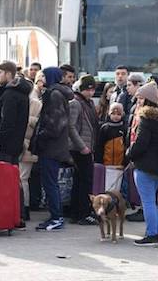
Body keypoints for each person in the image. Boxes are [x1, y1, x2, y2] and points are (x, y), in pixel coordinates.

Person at [127, 81, 158, 246]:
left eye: (140, 99)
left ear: (147, 100)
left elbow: (140, 144)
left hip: (145, 166)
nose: (137, 102)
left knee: (147, 202)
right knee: (153, 202)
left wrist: (129, 153)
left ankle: (152, 234)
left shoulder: (146, 119)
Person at [32, 67, 74, 231]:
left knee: (50, 183)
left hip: (51, 147)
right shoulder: (55, 94)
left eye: (43, 75)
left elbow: (55, 125)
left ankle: (56, 217)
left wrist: (40, 136)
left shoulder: (54, 95)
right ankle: (55, 216)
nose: (41, 78)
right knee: (50, 183)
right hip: (53, 146)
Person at [0, 61, 32, 228]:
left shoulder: (10, 95)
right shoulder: (22, 93)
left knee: (6, 182)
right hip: (16, 144)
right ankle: (19, 214)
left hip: (6, 145)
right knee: (14, 180)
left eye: (0, 72)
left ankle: (11, 215)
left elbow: (6, 123)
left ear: (9, 74)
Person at [68, 75, 99, 226]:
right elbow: (71, 126)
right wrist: (82, 146)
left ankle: (78, 212)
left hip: (87, 146)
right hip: (80, 149)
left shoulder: (89, 103)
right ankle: (82, 213)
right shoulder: (76, 103)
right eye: (88, 89)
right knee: (84, 181)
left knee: (82, 180)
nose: (91, 92)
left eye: (93, 89)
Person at [19, 72, 43, 222]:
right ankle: (23, 207)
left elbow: (36, 124)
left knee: (22, 178)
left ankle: (24, 207)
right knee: (22, 178)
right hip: (23, 145)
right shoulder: (30, 102)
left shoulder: (35, 104)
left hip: (28, 146)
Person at [95, 102, 127, 167]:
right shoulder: (105, 128)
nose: (116, 116)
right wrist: (99, 161)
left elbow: (126, 146)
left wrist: (125, 162)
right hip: (106, 162)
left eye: (118, 114)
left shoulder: (124, 128)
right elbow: (99, 146)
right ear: (109, 114)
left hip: (120, 164)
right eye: (113, 114)